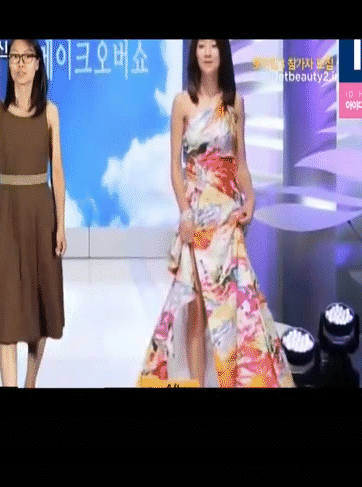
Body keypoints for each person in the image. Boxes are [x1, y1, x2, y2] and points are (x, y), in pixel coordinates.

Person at [138, 39, 294, 388]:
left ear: (222, 53)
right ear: (194, 53)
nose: (207, 52)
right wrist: (184, 214)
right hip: (196, 220)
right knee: (196, 309)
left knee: (232, 310)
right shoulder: (182, 103)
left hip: (227, 219)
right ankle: (196, 383)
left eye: (214, 46)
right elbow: (176, 167)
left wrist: (250, 199)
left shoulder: (234, 104)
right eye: (201, 46)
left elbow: (241, 164)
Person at [0, 39, 66, 388]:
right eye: (14, 57)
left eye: (26, 57)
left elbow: (57, 171)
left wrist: (61, 226)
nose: (20, 63)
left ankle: (30, 382)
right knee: (6, 312)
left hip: (41, 215)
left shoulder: (50, 112)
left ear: (37, 64)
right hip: (6, 215)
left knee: (40, 308)